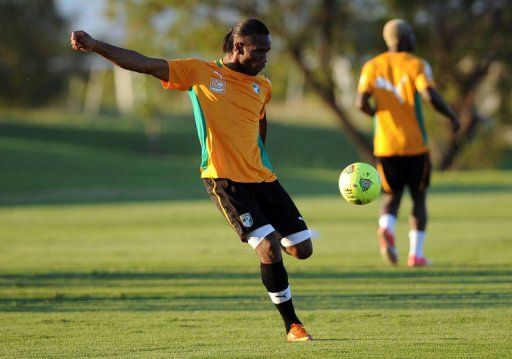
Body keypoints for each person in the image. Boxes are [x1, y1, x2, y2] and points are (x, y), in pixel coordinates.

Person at [70, 18, 313, 341]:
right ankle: (292, 325)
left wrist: (257, 154)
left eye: (267, 52)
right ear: (238, 47)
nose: (264, 58)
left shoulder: (262, 86)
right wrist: (96, 45)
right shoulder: (200, 72)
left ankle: (266, 226)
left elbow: (259, 120)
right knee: (268, 247)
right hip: (225, 180)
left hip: (263, 179)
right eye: (258, 51)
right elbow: (143, 64)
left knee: (302, 249)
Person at [355, 19, 460, 267]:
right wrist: (452, 116)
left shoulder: (372, 66)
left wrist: (376, 115)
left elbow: (360, 103)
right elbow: (429, 95)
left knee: (391, 196)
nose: (414, 37)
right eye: (411, 33)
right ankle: (416, 254)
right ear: (402, 38)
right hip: (414, 145)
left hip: (385, 145)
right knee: (419, 197)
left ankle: (386, 228)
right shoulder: (416, 64)